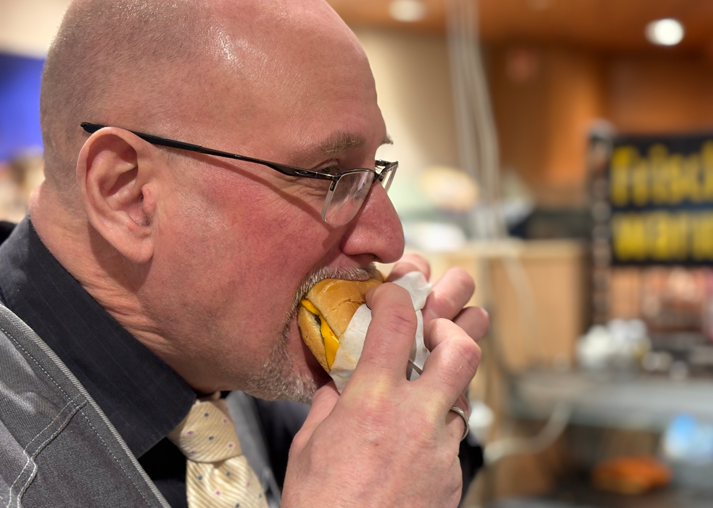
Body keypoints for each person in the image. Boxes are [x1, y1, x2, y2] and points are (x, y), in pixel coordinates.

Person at [0, 0, 489, 506]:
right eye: (327, 175)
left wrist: (423, 394)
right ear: (128, 195)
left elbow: (390, 470)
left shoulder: (221, 356)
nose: (389, 239)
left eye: (372, 172)